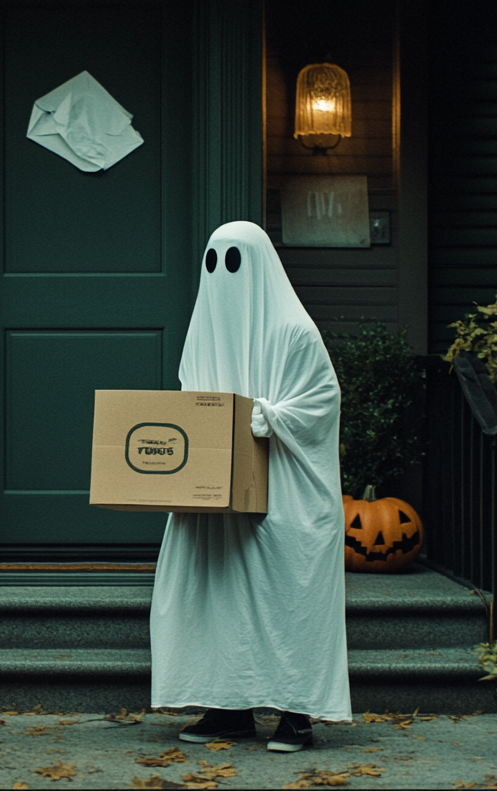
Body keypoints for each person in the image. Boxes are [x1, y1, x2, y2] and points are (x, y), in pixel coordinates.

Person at [149, 220, 352, 753]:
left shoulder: (294, 332)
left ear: (260, 264)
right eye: (212, 261)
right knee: (220, 600)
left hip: (287, 489)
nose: (222, 274)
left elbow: (320, 403)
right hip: (219, 497)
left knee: (288, 601)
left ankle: (296, 714)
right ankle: (228, 708)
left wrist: (265, 415)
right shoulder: (203, 330)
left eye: (234, 261)